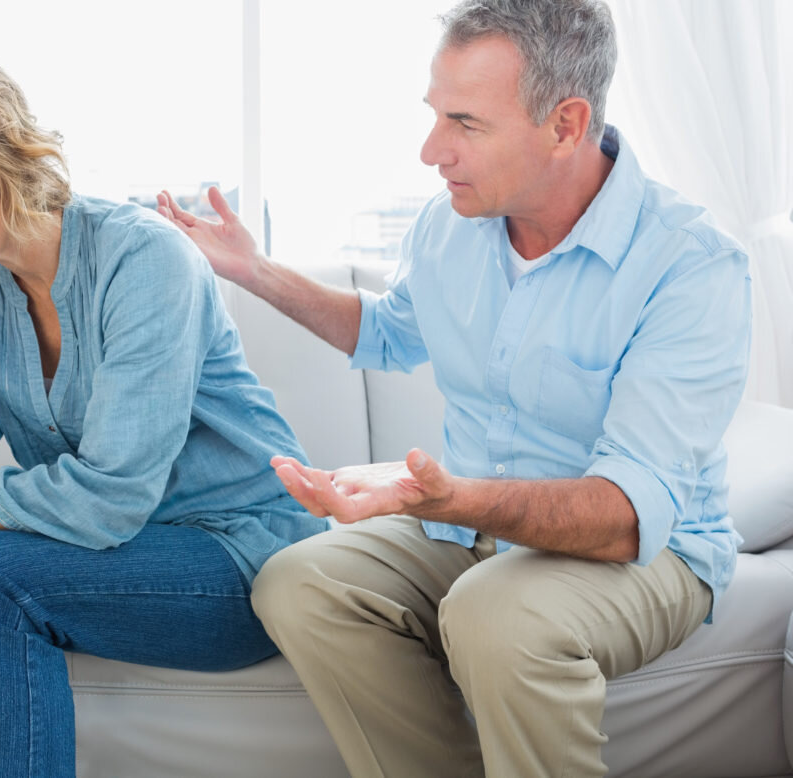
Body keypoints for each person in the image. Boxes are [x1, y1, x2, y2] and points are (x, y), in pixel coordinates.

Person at [156, 0, 752, 775]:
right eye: (435, 115)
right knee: (298, 581)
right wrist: (255, 271)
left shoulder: (690, 265)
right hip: (473, 525)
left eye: (465, 123)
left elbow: (626, 516)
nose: (432, 150)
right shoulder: (450, 227)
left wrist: (449, 498)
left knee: (495, 613)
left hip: (647, 551)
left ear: (566, 125)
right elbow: (386, 332)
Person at [0, 40, 327, 778]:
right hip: (98, 554)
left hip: (237, 558)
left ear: (1, 156)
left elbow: (109, 498)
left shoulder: (144, 259)